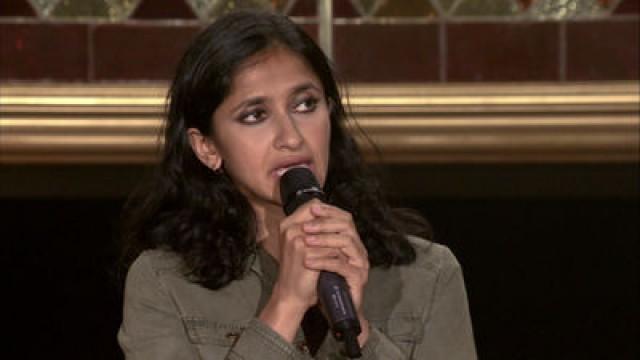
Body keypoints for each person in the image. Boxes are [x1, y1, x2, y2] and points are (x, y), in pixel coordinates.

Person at [117, 10, 476, 360]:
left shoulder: (428, 274)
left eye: (306, 104)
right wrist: (285, 306)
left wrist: (361, 331)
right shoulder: (164, 284)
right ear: (207, 147)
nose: (291, 137)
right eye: (255, 115)